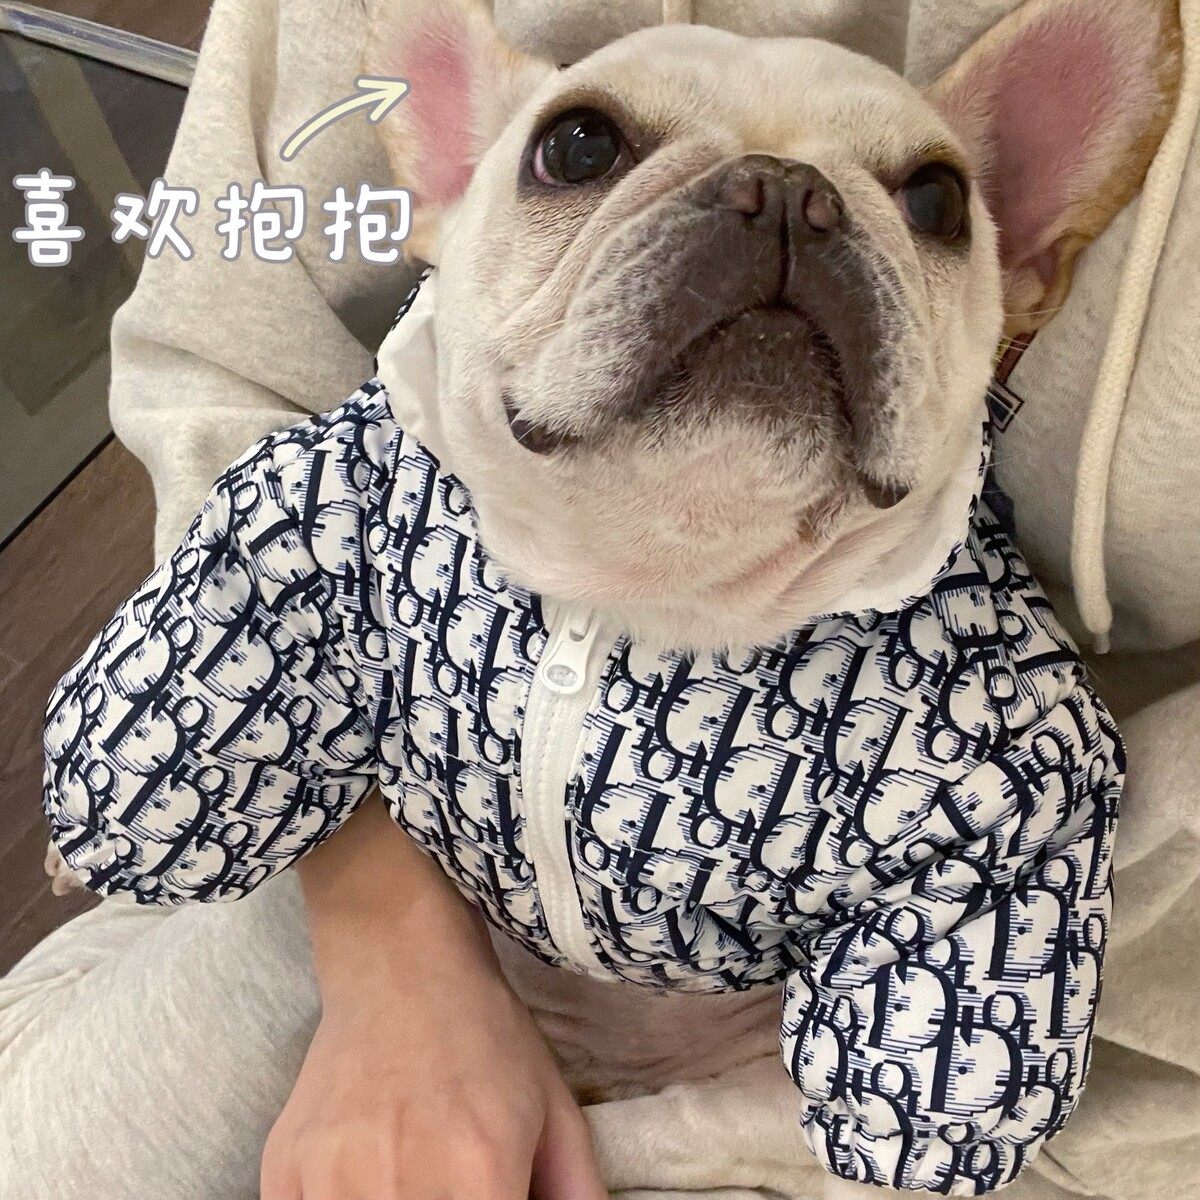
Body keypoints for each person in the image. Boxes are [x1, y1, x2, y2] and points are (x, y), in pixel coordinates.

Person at [2, 2, 1198, 1199]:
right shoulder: (371, 494)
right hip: (374, 852)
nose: (781, 216)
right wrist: (383, 948)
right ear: (449, 174)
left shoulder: (971, 725)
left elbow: (973, 996)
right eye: (585, 152)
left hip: (957, 1034)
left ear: (1019, 262)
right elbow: (252, 501)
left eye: (929, 208)